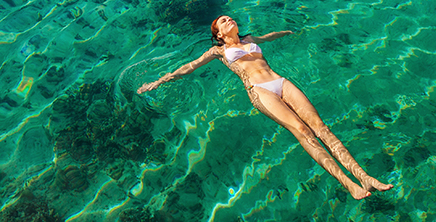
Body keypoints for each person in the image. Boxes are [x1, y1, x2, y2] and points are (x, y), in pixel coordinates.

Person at [137, 15, 393, 200]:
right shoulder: (217, 51)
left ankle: (364, 176)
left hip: (280, 81)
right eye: (223, 21)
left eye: (230, 18)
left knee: (321, 127)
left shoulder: (249, 38)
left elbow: (268, 37)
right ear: (218, 34)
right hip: (259, 91)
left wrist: (289, 32)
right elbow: (188, 67)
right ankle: (349, 184)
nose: (229, 20)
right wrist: (158, 82)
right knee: (303, 131)